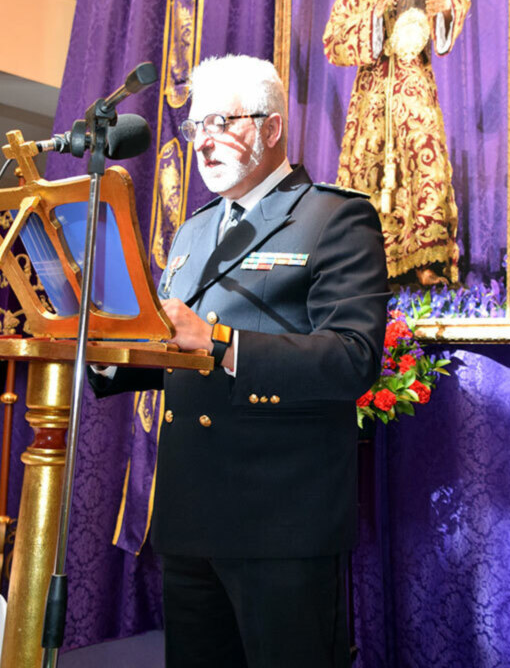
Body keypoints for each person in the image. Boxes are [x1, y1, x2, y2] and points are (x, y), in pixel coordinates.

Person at [89, 54, 389, 668]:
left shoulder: (334, 216)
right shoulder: (195, 229)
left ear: (272, 127)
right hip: (191, 516)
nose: (203, 142)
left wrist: (222, 342)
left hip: (281, 522)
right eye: (196, 126)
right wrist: (104, 350)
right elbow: (177, 349)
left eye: (221, 123)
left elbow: (353, 357)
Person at [322, 0, 470, 285]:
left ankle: (427, 260)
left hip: (412, 82)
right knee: (365, 172)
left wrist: (444, 5)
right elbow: (333, 43)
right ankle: (369, 265)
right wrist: (375, 14)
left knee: (425, 160)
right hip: (370, 98)